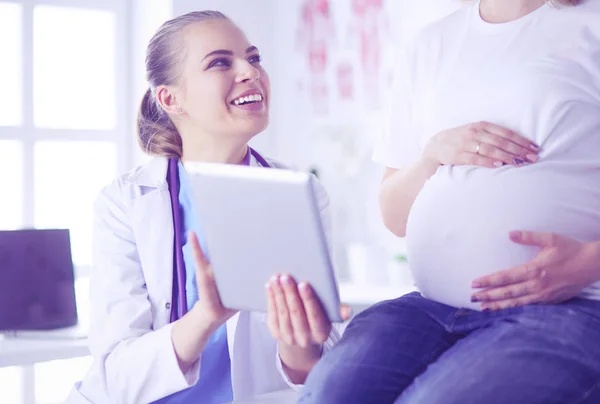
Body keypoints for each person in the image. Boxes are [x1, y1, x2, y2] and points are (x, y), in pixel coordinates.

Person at [299, 0, 600, 403]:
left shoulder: (590, 26)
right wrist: (431, 154)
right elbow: (394, 216)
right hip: (428, 308)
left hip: (567, 307)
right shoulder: (430, 45)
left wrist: (589, 263)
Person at [66, 11, 349, 404]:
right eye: (220, 62)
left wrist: (298, 344)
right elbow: (114, 377)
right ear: (171, 98)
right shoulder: (126, 203)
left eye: (253, 58)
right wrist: (206, 316)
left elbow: (318, 370)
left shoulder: (301, 195)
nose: (249, 71)